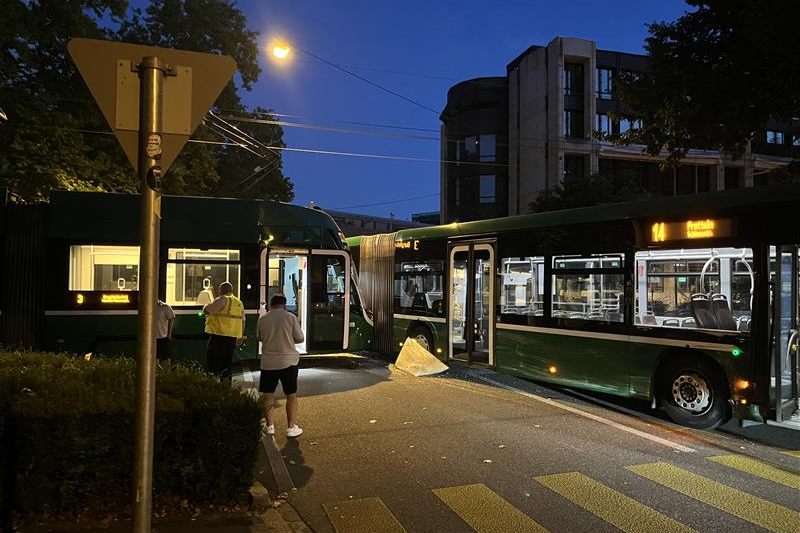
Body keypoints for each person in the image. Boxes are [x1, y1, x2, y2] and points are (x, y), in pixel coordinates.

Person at [258, 293, 304, 438]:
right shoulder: (291, 318)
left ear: (271, 304)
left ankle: (270, 426)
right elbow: (300, 338)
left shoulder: (263, 319)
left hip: (268, 362)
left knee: (268, 395)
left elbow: (260, 337)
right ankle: (291, 427)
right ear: (284, 304)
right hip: (288, 362)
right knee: (291, 395)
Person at [203, 281, 245, 380]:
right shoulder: (239, 303)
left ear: (221, 290)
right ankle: (226, 384)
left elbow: (207, 310)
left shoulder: (222, 299)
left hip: (218, 337)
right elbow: (243, 321)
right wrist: (240, 336)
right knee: (226, 364)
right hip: (232, 339)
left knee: (213, 362)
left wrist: (206, 305)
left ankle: (212, 383)